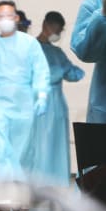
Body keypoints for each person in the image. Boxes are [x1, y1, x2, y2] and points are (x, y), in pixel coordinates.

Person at [0, 0, 50, 180]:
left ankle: (20, 188)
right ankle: (2, 189)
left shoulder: (29, 43)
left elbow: (40, 71)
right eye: (1, 16)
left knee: (22, 148)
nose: (5, 20)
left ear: (16, 18)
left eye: (9, 16)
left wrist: (42, 95)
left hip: (24, 103)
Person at [30, 11, 85, 185]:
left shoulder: (57, 52)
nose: (58, 34)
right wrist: (58, 72)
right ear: (46, 25)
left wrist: (67, 71)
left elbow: (74, 73)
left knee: (56, 145)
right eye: (57, 29)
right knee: (38, 145)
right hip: (36, 103)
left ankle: (56, 184)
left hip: (57, 106)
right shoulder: (30, 48)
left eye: (60, 31)